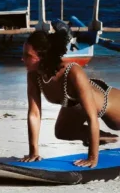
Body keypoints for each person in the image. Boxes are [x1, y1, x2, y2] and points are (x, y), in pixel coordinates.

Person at [21, 29, 119, 167]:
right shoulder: (34, 74)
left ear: (43, 56)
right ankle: (102, 136)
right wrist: (33, 152)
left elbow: (91, 117)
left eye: (27, 55)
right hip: (76, 104)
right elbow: (34, 114)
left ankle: (96, 138)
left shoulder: (72, 71)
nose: (22, 59)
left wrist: (92, 157)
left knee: (116, 124)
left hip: (109, 103)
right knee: (62, 132)